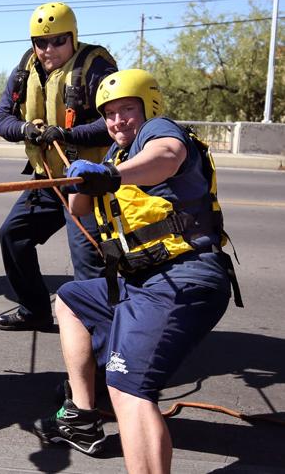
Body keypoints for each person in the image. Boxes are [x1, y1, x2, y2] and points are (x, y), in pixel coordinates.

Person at [34, 69, 240, 473]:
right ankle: (82, 413)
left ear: (149, 106)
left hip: (183, 278)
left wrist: (110, 175)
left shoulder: (157, 133)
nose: (118, 120)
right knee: (72, 299)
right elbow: (79, 212)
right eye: (109, 113)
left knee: (129, 387)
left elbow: (166, 158)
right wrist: (80, 181)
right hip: (141, 283)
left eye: (127, 109)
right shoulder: (115, 156)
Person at [0, 2, 118, 331]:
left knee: (88, 259)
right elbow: (1, 118)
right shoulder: (25, 67)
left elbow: (114, 123)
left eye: (58, 40)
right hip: (46, 180)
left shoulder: (96, 66)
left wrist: (66, 133)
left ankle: (100, 343)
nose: (49, 49)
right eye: (41, 42)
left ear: (73, 37)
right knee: (13, 236)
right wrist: (25, 130)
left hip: (85, 182)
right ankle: (35, 309)